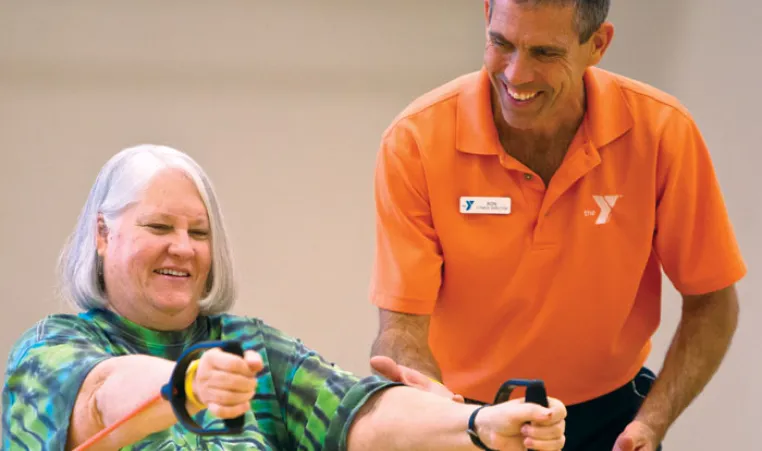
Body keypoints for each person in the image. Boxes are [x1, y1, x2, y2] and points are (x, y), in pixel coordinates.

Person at [2, 144, 567, 451]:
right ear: (103, 235)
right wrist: (183, 384)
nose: (183, 249)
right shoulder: (51, 348)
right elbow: (100, 396)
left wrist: (480, 425)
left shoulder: (247, 345)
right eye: (158, 227)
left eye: (199, 234)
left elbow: (358, 412)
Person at [368, 1, 745, 450]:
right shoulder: (416, 141)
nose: (515, 74)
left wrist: (651, 423)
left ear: (598, 44)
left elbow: (712, 305)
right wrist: (442, 419)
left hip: (612, 419)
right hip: (468, 417)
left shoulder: (662, 133)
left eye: (545, 53)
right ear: (486, 15)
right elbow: (401, 330)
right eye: (501, 43)